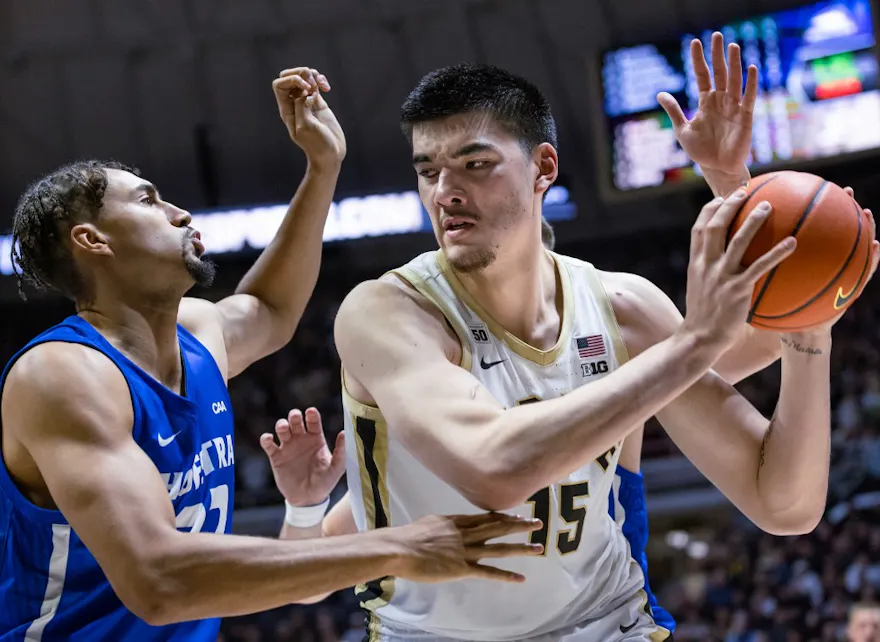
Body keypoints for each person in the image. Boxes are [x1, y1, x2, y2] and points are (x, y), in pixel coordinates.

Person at [270, 35, 878, 641]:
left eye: (474, 164)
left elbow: (786, 503)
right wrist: (693, 344)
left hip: (608, 625)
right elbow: (496, 467)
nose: (445, 191)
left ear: (544, 169)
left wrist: (807, 329)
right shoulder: (389, 313)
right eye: (429, 171)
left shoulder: (623, 311)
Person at [0, 67, 544, 642]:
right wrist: (398, 547)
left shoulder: (197, 334)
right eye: (148, 201)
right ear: (92, 240)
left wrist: (322, 166)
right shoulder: (62, 375)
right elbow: (159, 582)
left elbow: (269, 308)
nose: (180, 214)